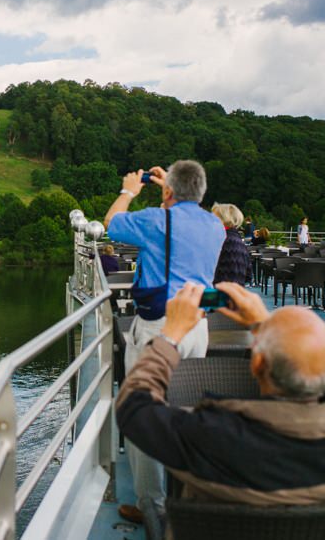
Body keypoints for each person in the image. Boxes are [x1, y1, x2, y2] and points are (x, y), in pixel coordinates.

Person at [117, 281, 325, 509]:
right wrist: (265, 325)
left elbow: (132, 406)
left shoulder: (213, 435)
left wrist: (170, 336)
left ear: (257, 365)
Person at [104, 160, 225, 529]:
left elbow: (112, 223)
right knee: (182, 409)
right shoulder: (215, 225)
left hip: (160, 326)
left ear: (169, 191)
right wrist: (168, 190)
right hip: (198, 325)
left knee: (145, 413)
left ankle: (152, 507)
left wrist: (129, 190)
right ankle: (186, 499)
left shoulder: (157, 220)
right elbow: (182, 218)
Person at [212, 203, 251, 285]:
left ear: (223, 219)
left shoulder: (225, 241)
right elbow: (248, 275)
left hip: (222, 294)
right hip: (234, 292)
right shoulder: (238, 240)